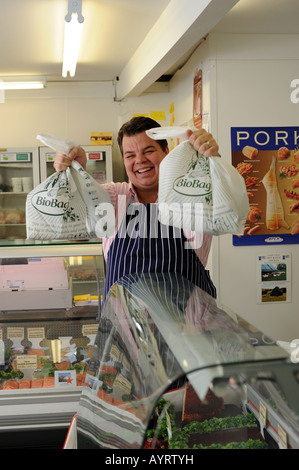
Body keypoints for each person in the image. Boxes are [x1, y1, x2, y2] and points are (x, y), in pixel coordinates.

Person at [54, 117, 219, 302]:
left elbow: (224, 198)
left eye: (148, 151)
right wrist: (76, 174)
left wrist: (212, 159)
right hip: (125, 324)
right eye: (130, 155)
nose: (140, 160)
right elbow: (72, 230)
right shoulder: (113, 197)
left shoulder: (193, 196)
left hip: (187, 326)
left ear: (166, 151)